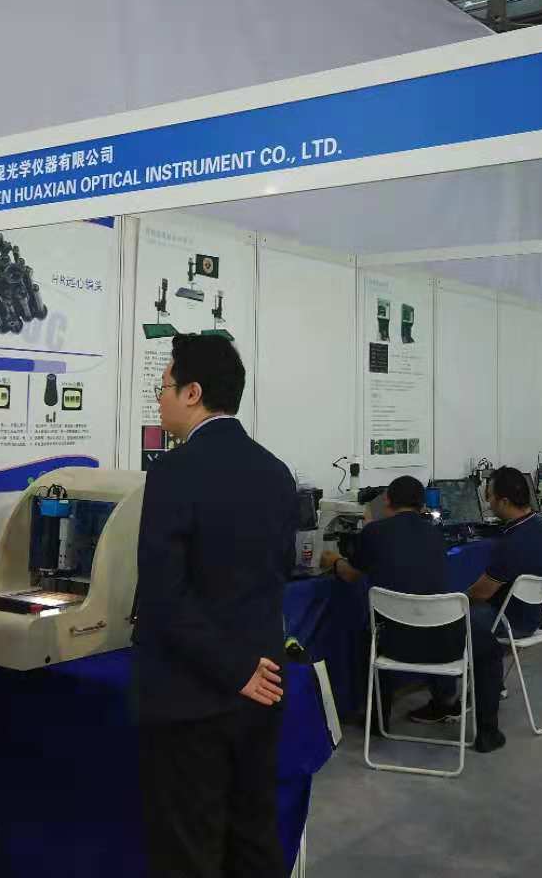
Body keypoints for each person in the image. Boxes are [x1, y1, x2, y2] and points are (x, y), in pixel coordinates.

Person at [134, 333, 297, 878]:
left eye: (164, 387)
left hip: (192, 697)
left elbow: (163, 596)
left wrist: (232, 670)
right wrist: (248, 670)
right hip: (264, 685)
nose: (159, 399)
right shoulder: (276, 471)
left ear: (193, 393)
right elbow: (276, 573)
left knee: (189, 852)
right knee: (253, 839)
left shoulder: (172, 472)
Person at [320, 476, 462, 728]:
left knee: (370, 630)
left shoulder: (374, 532)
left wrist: (333, 561)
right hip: (442, 642)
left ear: (386, 499)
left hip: (393, 643)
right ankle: (445, 700)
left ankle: (377, 717)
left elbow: (351, 575)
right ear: (422, 504)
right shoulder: (436, 534)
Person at [459, 466, 542, 753]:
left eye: (489, 496)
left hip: (511, 622)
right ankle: (490, 685)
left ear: (504, 501)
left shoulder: (513, 542)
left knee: (456, 618)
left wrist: (455, 600)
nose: (487, 501)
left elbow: (481, 592)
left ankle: (451, 702)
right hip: (533, 615)